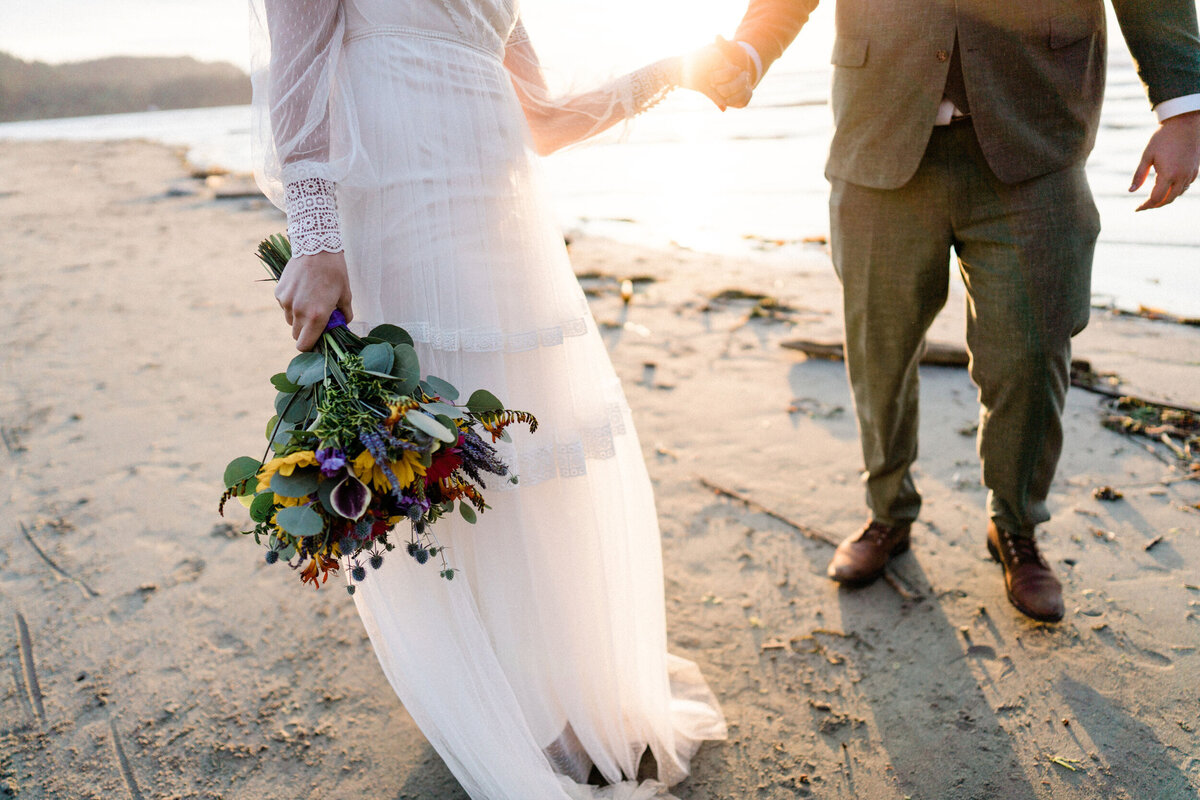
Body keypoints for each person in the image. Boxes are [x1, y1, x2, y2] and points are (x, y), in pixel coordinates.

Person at [249, 1, 746, 796]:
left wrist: (672, 73)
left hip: (500, 208)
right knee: (442, 452)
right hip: (401, 205)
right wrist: (315, 240)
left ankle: (545, 687)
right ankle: (492, 700)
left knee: (528, 444)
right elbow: (298, 83)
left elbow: (542, 119)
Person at [709, 0, 1200, 622]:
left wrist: (1183, 109)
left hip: (1037, 140)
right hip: (879, 136)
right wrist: (750, 54)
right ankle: (887, 514)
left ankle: (1016, 528)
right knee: (877, 348)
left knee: (1030, 353)